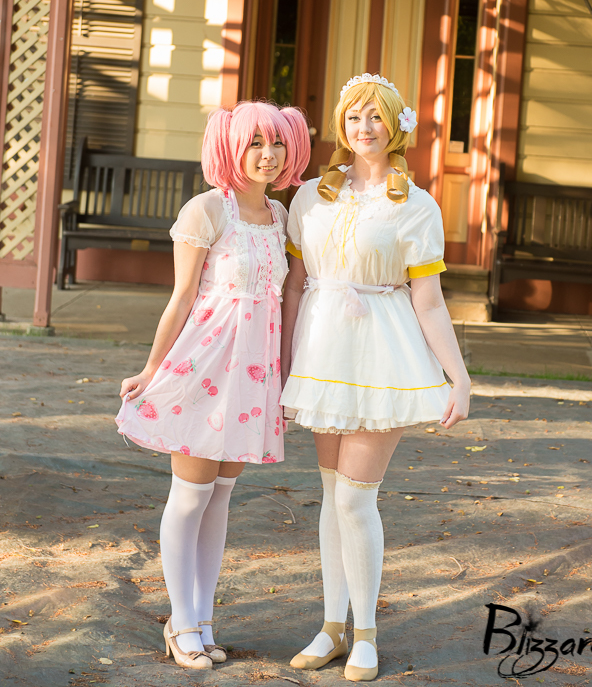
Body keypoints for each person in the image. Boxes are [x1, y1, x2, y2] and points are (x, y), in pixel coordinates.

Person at [280, 74, 471, 682]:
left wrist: (459, 378)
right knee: (330, 496)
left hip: (382, 356)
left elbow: (429, 301)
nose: (364, 128)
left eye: (376, 117)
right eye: (353, 117)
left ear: (396, 126)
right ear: (342, 125)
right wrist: (281, 364)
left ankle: (365, 633)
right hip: (321, 356)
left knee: (355, 498)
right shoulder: (311, 197)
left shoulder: (416, 205)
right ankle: (331, 626)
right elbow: (294, 286)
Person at [116, 101, 310, 669]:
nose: (268, 155)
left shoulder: (279, 215)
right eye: (255, 143)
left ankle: (201, 618)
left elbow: (285, 299)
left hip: (252, 376)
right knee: (190, 497)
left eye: (277, 143)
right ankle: (180, 622)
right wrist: (151, 368)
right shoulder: (207, 210)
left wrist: (287, 373)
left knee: (221, 497)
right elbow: (181, 298)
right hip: (204, 367)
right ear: (231, 147)